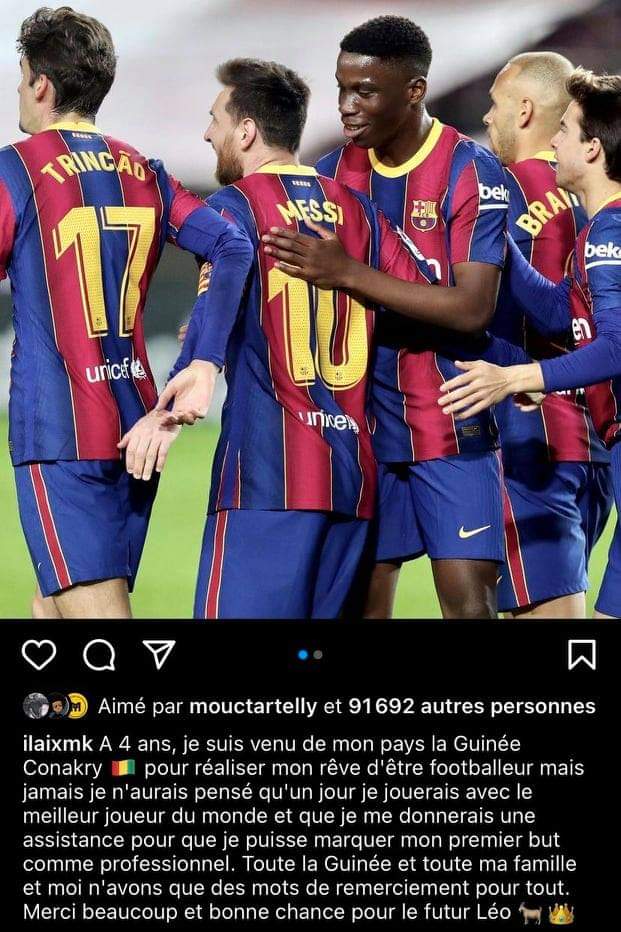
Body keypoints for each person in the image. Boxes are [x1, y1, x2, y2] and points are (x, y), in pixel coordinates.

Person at [128, 57, 435, 618]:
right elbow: (427, 299)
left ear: (246, 131)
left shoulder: (233, 208)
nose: (207, 133)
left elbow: (215, 299)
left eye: (216, 119)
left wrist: (176, 394)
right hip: (352, 478)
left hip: (268, 475)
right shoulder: (360, 211)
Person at [0, 7, 253, 619]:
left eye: (21, 77)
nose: (19, 90)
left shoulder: (16, 169)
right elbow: (231, 245)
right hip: (136, 422)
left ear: (41, 84)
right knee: (54, 605)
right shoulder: (144, 170)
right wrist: (205, 359)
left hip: (60, 429)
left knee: (96, 613)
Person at [262, 16, 509, 619]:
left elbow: (472, 309)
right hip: (358, 424)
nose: (346, 106)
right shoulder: (327, 175)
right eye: (342, 88)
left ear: (415, 90)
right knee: (358, 608)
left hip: (448, 421)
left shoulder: (470, 171)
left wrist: (349, 273)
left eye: (365, 92)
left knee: (469, 609)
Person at [437, 70, 621, 619]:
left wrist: (515, 377)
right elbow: (560, 313)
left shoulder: (611, 233)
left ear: (592, 147)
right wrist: (491, 234)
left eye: (565, 130)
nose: (554, 142)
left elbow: (617, 346)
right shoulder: (596, 229)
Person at [483, 52, 612, 618]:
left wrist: (521, 376)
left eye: (494, 105)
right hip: (596, 440)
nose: (487, 118)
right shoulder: (591, 214)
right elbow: (566, 313)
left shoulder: (500, 189)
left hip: (534, 437)